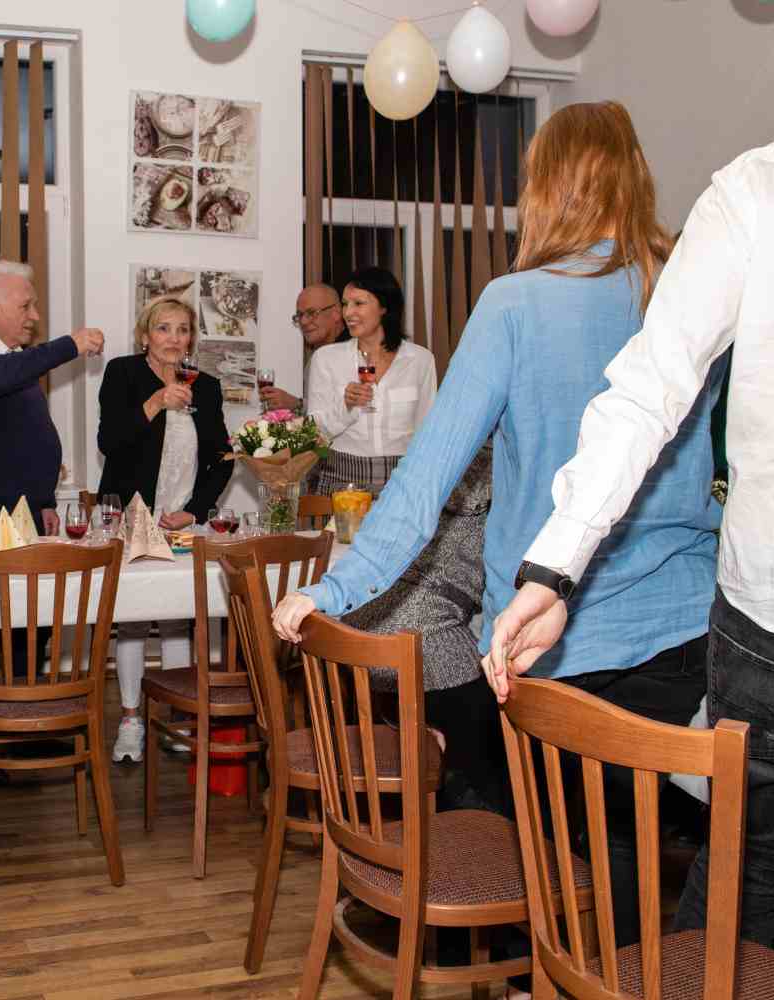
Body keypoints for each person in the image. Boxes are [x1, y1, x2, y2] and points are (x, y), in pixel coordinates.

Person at [272, 101, 725, 958]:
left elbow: (426, 477)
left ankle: (537, 975)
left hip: (548, 639)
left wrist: (334, 588)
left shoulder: (515, 304)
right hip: (682, 629)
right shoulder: (684, 292)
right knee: (632, 843)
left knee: (550, 845)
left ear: (544, 188)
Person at [486, 5, 774, 984]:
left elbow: (650, 389)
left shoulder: (762, 187)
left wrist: (552, 568)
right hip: (745, 616)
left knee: (739, 889)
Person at [0, 259, 104, 686]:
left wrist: (45, 500)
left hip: (26, 511)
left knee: (30, 622)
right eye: (26, 306)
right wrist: (69, 345)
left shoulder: (14, 359)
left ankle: (23, 713)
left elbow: (27, 437)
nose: (34, 315)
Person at [95, 295, 233, 762]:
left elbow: (221, 459)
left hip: (180, 520)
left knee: (177, 618)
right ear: (145, 336)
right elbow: (110, 442)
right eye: (163, 328)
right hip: (132, 516)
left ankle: (177, 718)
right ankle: (130, 720)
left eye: (183, 329)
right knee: (133, 621)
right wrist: (155, 402)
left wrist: (194, 510)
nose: (174, 338)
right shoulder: (122, 373)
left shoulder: (206, 386)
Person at [342, 446, 507, 816]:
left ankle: (426, 744)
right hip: (422, 640)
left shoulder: (438, 460)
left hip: (365, 630)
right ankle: (474, 827)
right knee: (502, 711)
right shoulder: (500, 476)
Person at [304, 267, 436, 495]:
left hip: (402, 483)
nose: (348, 313)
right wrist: (346, 406)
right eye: (345, 304)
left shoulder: (420, 360)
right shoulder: (326, 359)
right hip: (340, 481)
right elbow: (314, 431)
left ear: (384, 306)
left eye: (359, 303)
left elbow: (428, 432)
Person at [258, 282, 348, 412]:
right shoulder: (317, 357)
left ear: (336, 314)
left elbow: (348, 412)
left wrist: (297, 404)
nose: (304, 322)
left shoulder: (353, 354)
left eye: (312, 313)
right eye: (300, 315)